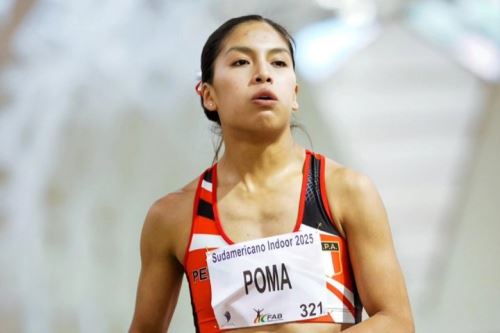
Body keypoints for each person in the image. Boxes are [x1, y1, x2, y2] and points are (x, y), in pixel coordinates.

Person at [129, 15, 414, 333]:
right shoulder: (173, 216)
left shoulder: (346, 191)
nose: (263, 74)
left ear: (294, 94)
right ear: (208, 95)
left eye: (278, 62)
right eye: (240, 61)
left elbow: (396, 321)